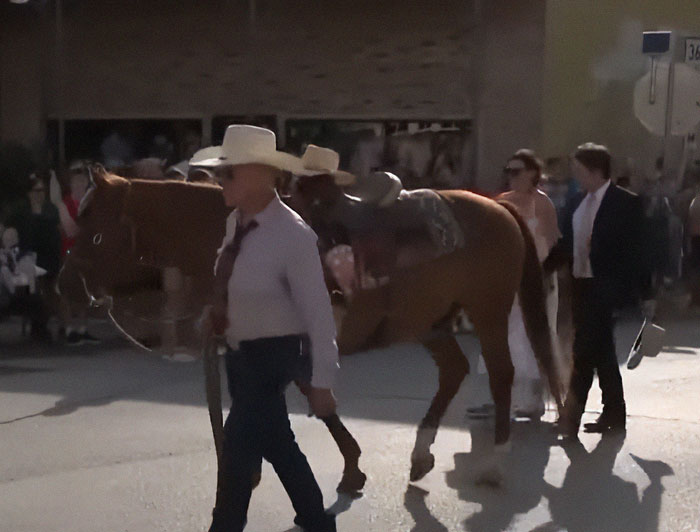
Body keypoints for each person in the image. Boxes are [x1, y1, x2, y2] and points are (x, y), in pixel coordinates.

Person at [191, 125, 338, 532]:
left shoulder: (293, 236)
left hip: (273, 357)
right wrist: (215, 313)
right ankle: (318, 523)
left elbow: (318, 312)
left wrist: (323, 380)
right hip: (240, 357)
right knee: (279, 446)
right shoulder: (235, 225)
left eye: (228, 173)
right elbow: (234, 280)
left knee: (237, 455)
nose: (219, 181)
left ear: (259, 174)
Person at [545, 143, 648, 438]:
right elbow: (564, 245)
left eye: (579, 170)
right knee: (602, 352)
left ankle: (570, 419)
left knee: (584, 351)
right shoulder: (576, 202)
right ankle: (615, 413)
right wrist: (541, 270)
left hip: (607, 286)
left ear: (595, 171)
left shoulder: (625, 202)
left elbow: (638, 250)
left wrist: (647, 292)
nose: (575, 176)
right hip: (580, 285)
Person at [497, 149, 561, 419]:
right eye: (508, 172)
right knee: (509, 336)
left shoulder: (542, 203)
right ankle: (509, 398)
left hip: (539, 276)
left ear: (532, 173)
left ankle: (536, 399)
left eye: (517, 171)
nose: (512, 177)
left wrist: (547, 274)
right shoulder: (501, 202)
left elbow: (554, 241)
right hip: (509, 278)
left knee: (533, 334)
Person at [50, 161, 100, 345]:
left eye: (82, 180)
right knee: (67, 292)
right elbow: (69, 230)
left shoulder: (89, 204)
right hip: (69, 252)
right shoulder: (66, 204)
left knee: (85, 291)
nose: (79, 184)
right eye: (76, 181)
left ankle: (82, 328)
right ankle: (69, 328)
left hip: (86, 253)